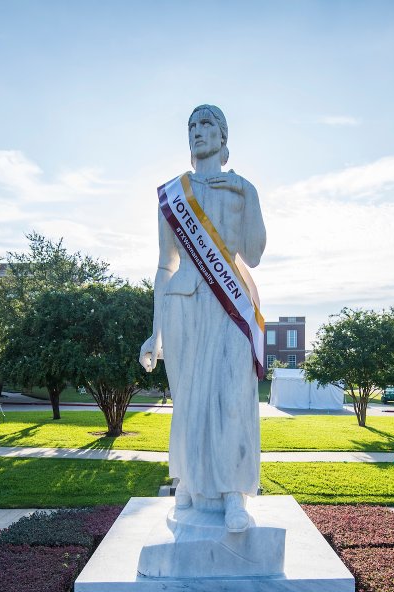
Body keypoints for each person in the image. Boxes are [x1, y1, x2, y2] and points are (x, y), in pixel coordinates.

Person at [140, 104, 266, 533]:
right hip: (183, 305)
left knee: (233, 397)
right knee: (189, 402)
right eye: (191, 125)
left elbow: (254, 254)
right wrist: (153, 333)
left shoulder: (240, 190)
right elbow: (164, 264)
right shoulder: (173, 194)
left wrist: (248, 195)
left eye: (206, 123)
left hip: (230, 304)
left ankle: (234, 495)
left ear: (223, 135)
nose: (197, 131)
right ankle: (189, 483)